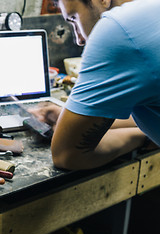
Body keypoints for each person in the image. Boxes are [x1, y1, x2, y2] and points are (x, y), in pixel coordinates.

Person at [29, 0, 160, 170]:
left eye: (74, 18)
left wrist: (141, 137)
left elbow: (66, 155)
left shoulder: (117, 28)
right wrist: (74, 119)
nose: (79, 39)